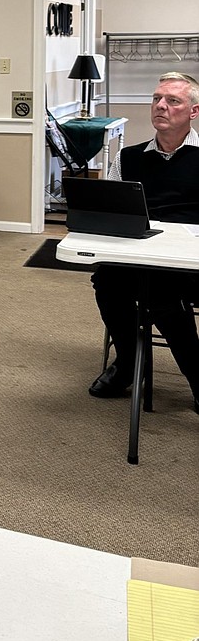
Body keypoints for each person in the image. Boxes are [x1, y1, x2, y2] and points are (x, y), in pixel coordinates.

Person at [88, 72, 199, 405]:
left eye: (172, 100)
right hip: (138, 255)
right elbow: (112, 212)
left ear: (193, 111)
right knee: (106, 279)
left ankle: (186, 375)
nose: (160, 106)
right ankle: (131, 360)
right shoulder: (128, 158)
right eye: (156, 99)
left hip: (188, 263)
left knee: (162, 292)